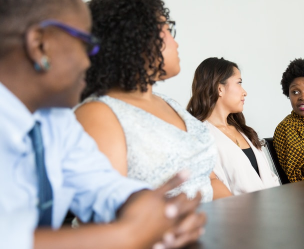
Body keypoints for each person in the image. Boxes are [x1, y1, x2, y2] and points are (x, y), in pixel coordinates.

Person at [0, 0, 206, 249]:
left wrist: (150, 209)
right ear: (40, 45)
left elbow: (105, 187)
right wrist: (129, 238)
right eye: (85, 43)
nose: (90, 59)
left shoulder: (55, 120)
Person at [75, 0, 231, 201]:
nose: (176, 42)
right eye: (167, 29)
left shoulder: (170, 104)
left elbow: (209, 180)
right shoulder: (97, 113)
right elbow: (109, 217)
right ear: (136, 36)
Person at [187, 57, 280, 195]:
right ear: (220, 89)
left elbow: (270, 178)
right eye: (239, 83)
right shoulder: (199, 136)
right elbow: (210, 186)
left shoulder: (244, 131)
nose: (244, 92)